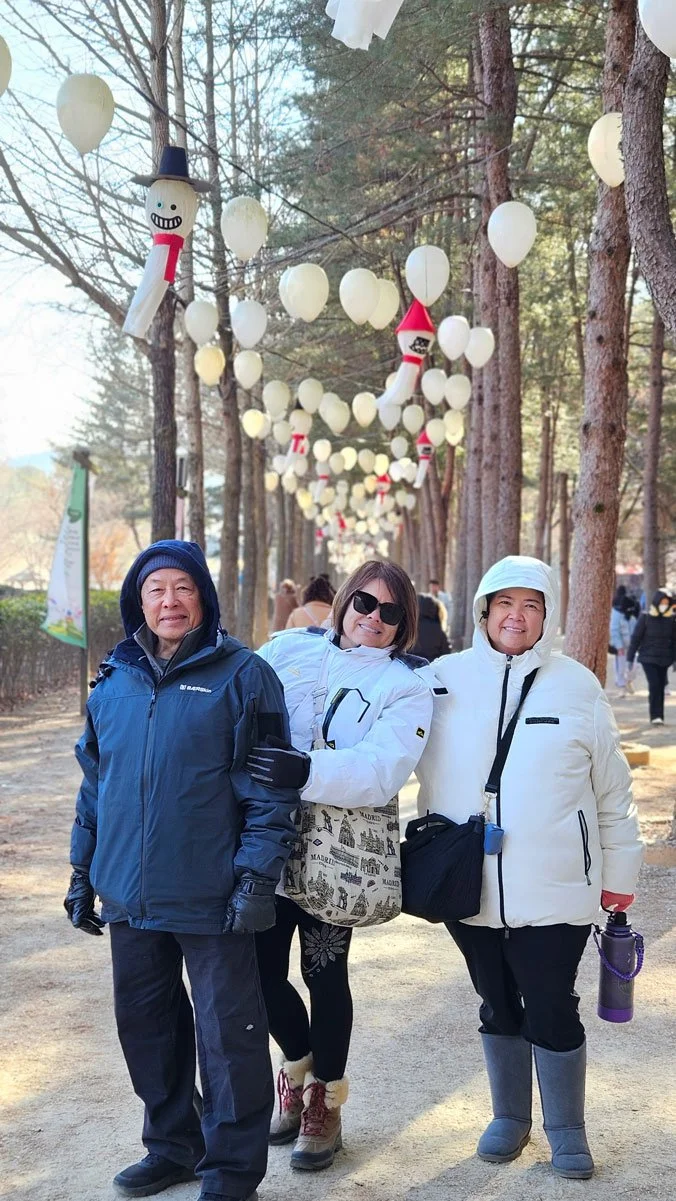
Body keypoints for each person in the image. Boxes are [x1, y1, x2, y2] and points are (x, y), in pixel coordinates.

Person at [63, 539, 299, 1201]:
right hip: (129, 895)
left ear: (204, 597)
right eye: (155, 589)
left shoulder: (245, 675)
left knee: (229, 1040)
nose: (169, 601)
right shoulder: (114, 680)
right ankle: (173, 1147)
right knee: (147, 1028)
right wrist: (82, 869)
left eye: (182, 588)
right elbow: (95, 784)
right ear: (137, 602)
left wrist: (255, 880)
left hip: (213, 894)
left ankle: (231, 1171)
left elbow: (272, 792)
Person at [416, 555, 643, 1181]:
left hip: (558, 884)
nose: (517, 616)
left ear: (546, 616)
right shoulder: (441, 680)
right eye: (505, 604)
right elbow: (387, 741)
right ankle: (510, 1117)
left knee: (550, 1005)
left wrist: (621, 875)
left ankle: (566, 1129)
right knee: (495, 1002)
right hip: (465, 882)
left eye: (532, 605)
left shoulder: (577, 685)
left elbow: (613, 792)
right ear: (484, 610)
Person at [246, 561, 436, 1172]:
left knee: (324, 974)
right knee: (258, 972)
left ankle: (324, 1103)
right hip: (267, 839)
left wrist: (306, 770)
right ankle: (298, 1068)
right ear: (345, 600)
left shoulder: (406, 686)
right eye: (364, 603)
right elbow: (235, 702)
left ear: (404, 622)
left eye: (390, 611)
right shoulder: (286, 649)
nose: (373, 618)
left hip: (339, 855)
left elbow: (385, 768)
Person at [627, 587, 676, 725]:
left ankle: (659, 716)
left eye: (667, 603)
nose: (664, 605)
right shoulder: (646, 618)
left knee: (661, 686)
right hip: (648, 658)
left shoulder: (671, 620)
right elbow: (636, 639)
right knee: (654, 685)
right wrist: (630, 658)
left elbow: (674, 641)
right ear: (657, 601)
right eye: (662, 602)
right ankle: (655, 716)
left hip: (665, 659)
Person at [609, 585, 635, 696]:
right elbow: (614, 630)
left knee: (634, 666)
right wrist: (619, 646)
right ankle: (621, 686)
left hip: (632, 645)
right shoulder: (616, 613)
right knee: (620, 667)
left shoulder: (631, 612)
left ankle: (629, 680)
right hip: (621, 646)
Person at [410, 593, 450, 661]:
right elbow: (446, 652)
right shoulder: (438, 629)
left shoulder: (410, 627)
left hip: (411, 664)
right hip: (432, 665)